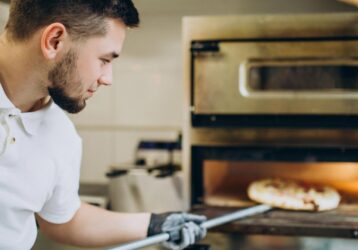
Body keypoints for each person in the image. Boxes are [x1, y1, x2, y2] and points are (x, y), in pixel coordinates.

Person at [0, 1, 206, 249]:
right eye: (104, 59)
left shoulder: (60, 135)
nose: (107, 79)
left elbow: (63, 218)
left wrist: (154, 225)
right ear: (54, 41)